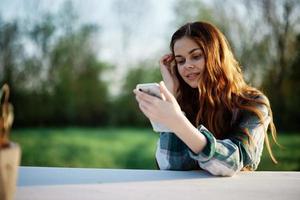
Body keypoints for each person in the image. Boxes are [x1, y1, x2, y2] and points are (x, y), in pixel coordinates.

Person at [133, 21, 278, 176]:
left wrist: (177, 121)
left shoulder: (253, 103)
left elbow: (232, 162)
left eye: (196, 56)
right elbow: (170, 166)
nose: (187, 65)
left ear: (217, 56)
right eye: (180, 60)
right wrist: (171, 94)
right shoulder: (182, 101)